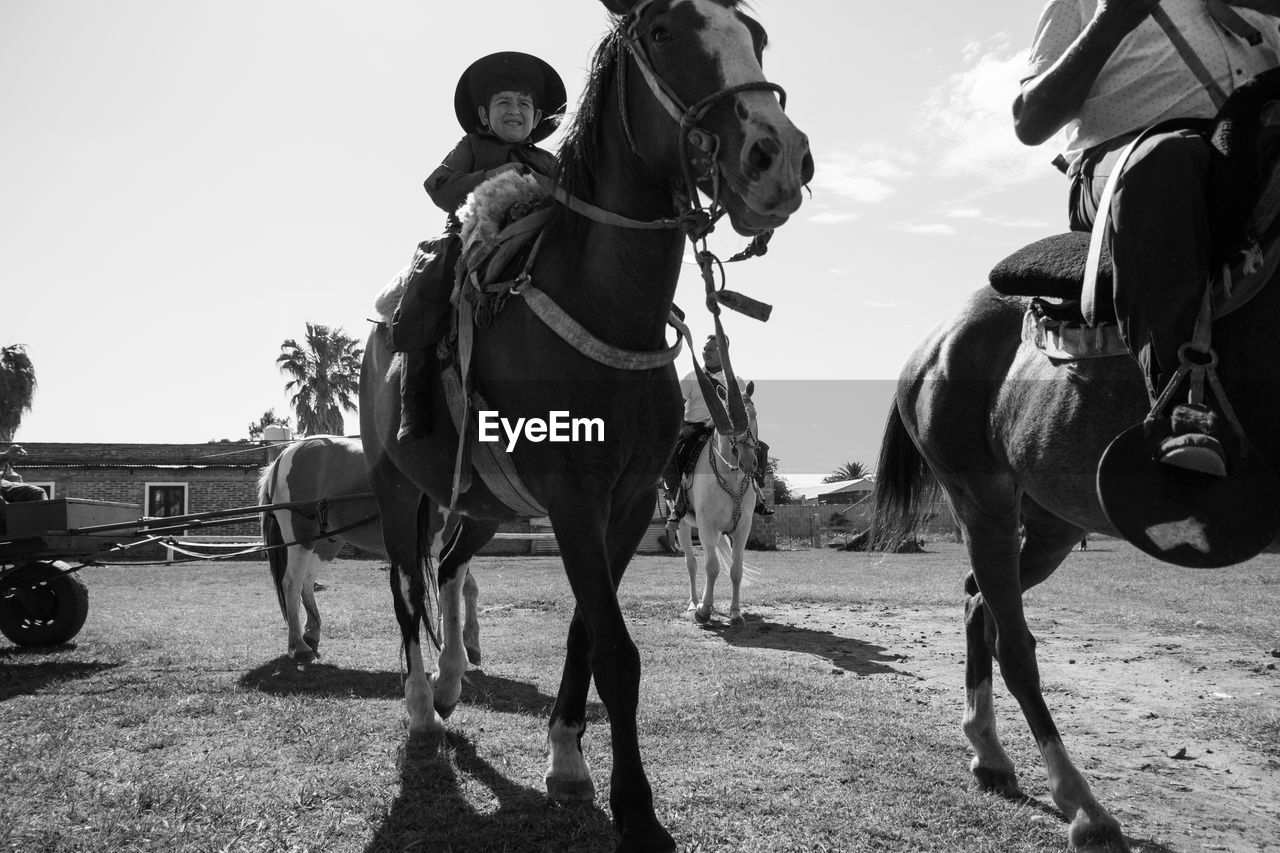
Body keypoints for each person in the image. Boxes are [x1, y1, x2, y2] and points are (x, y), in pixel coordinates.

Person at [1014, 0, 1280, 476]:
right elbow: (1029, 122)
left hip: (1251, 148)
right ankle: (1182, 407)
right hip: (1124, 161)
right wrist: (1112, 18)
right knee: (1167, 160)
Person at [392, 51, 566, 443]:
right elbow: (437, 184)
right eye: (504, 102)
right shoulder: (471, 145)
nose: (515, 110)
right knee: (429, 276)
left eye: (524, 104)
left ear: (537, 119)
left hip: (540, 239)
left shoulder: (551, 162)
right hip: (472, 237)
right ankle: (414, 400)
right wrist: (494, 175)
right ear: (485, 115)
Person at [659, 336, 773, 553]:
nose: (705, 352)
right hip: (695, 429)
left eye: (711, 349)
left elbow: (743, 408)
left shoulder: (736, 381)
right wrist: (683, 426)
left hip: (726, 429)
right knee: (673, 456)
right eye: (704, 349)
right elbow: (675, 404)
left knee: (761, 448)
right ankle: (679, 504)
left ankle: (757, 495)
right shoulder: (692, 377)